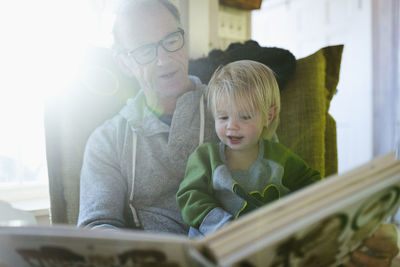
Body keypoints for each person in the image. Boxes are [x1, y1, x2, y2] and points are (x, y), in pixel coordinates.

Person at [77, 0, 398, 265]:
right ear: (124, 63)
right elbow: (94, 228)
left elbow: (284, 186)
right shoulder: (107, 140)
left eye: (171, 40)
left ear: (183, 38)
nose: (164, 59)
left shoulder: (233, 109)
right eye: (145, 50)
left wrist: (347, 229)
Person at [176, 60, 321, 237]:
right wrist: (222, 225)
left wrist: (290, 215)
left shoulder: (279, 157)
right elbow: (189, 196)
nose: (231, 126)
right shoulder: (206, 157)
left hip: (264, 244)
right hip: (216, 244)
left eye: (244, 117)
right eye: (223, 117)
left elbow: (313, 183)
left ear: (269, 116)